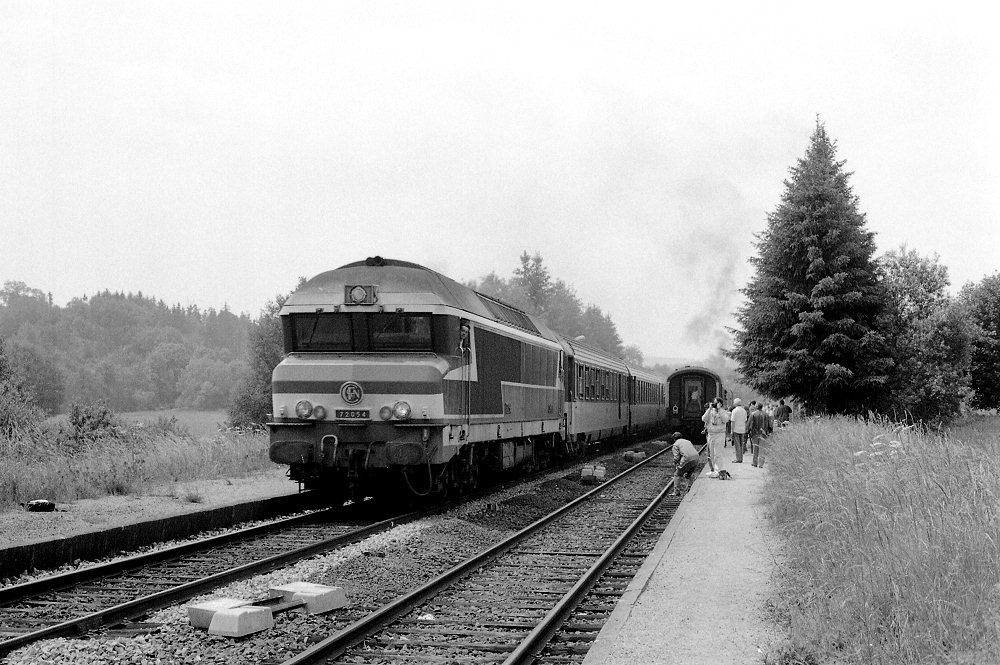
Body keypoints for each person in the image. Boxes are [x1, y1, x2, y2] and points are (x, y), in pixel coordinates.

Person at [701, 397, 729, 478]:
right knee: (712, 454)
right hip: (711, 434)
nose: (715, 405)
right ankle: (714, 470)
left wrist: (719, 410)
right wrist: (709, 409)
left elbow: (725, 420)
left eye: (716, 403)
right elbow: (703, 419)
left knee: (718, 454)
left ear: (720, 404)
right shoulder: (710, 411)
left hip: (719, 434)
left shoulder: (723, 411)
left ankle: (719, 470)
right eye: (714, 403)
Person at [670, 431, 700, 496]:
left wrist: (675, 463)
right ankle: (690, 489)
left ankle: (676, 492)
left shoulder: (675, 445)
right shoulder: (687, 441)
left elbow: (676, 457)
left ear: (674, 439)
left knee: (677, 474)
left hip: (687, 459)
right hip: (696, 458)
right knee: (688, 475)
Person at [748, 402, 768, 468]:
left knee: (755, 448)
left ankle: (755, 462)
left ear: (756, 407)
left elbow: (749, 423)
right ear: (762, 407)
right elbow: (769, 424)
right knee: (762, 449)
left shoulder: (753, 414)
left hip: (755, 433)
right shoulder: (766, 414)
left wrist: (747, 431)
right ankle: (761, 464)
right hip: (763, 433)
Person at [730, 398, 748, 463]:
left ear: (735, 403)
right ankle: (741, 458)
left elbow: (733, 422)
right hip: (742, 429)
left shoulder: (734, 411)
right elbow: (745, 421)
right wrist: (745, 429)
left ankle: (738, 459)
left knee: (737, 444)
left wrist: (732, 431)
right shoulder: (744, 411)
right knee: (741, 444)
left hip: (736, 429)